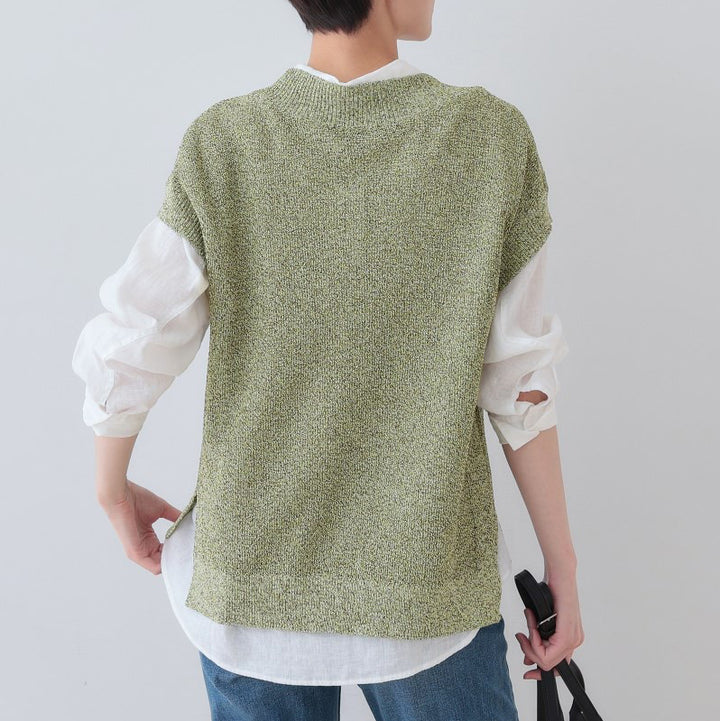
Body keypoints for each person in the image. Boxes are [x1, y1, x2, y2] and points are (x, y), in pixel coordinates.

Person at [71, 1, 583, 719]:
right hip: (425, 587)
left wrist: (112, 490)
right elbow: (521, 388)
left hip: (249, 586)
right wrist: (563, 568)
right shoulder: (489, 139)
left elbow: (133, 337)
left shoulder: (225, 143)